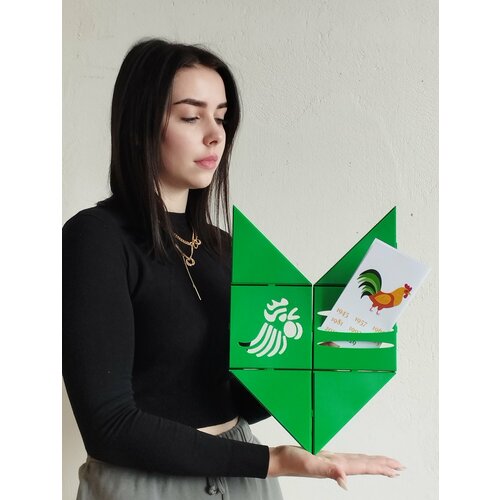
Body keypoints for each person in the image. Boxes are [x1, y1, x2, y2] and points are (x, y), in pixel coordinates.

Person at [62, 38, 405, 500]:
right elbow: (109, 425)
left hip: (242, 478)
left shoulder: (223, 247)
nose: (215, 135)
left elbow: (234, 399)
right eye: (191, 116)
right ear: (139, 126)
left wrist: (318, 360)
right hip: (147, 485)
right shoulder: (96, 238)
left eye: (221, 117)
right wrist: (271, 460)